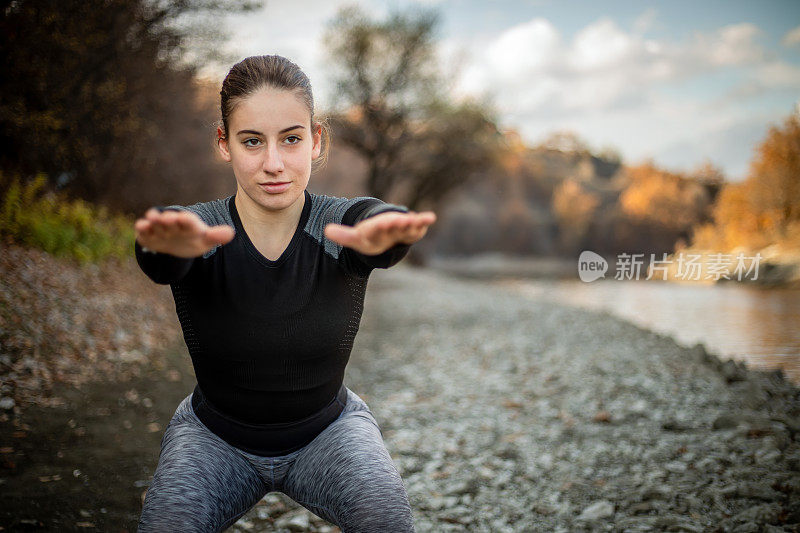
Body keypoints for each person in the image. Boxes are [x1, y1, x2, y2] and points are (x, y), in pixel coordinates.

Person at [133, 54, 436, 532]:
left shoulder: (337, 224)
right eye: (252, 141)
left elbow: (374, 218)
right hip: (213, 439)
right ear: (224, 143)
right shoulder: (202, 228)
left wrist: (387, 234)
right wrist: (163, 247)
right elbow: (163, 253)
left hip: (329, 433)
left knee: (388, 519)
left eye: (291, 139)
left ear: (316, 141)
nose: (273, 164)